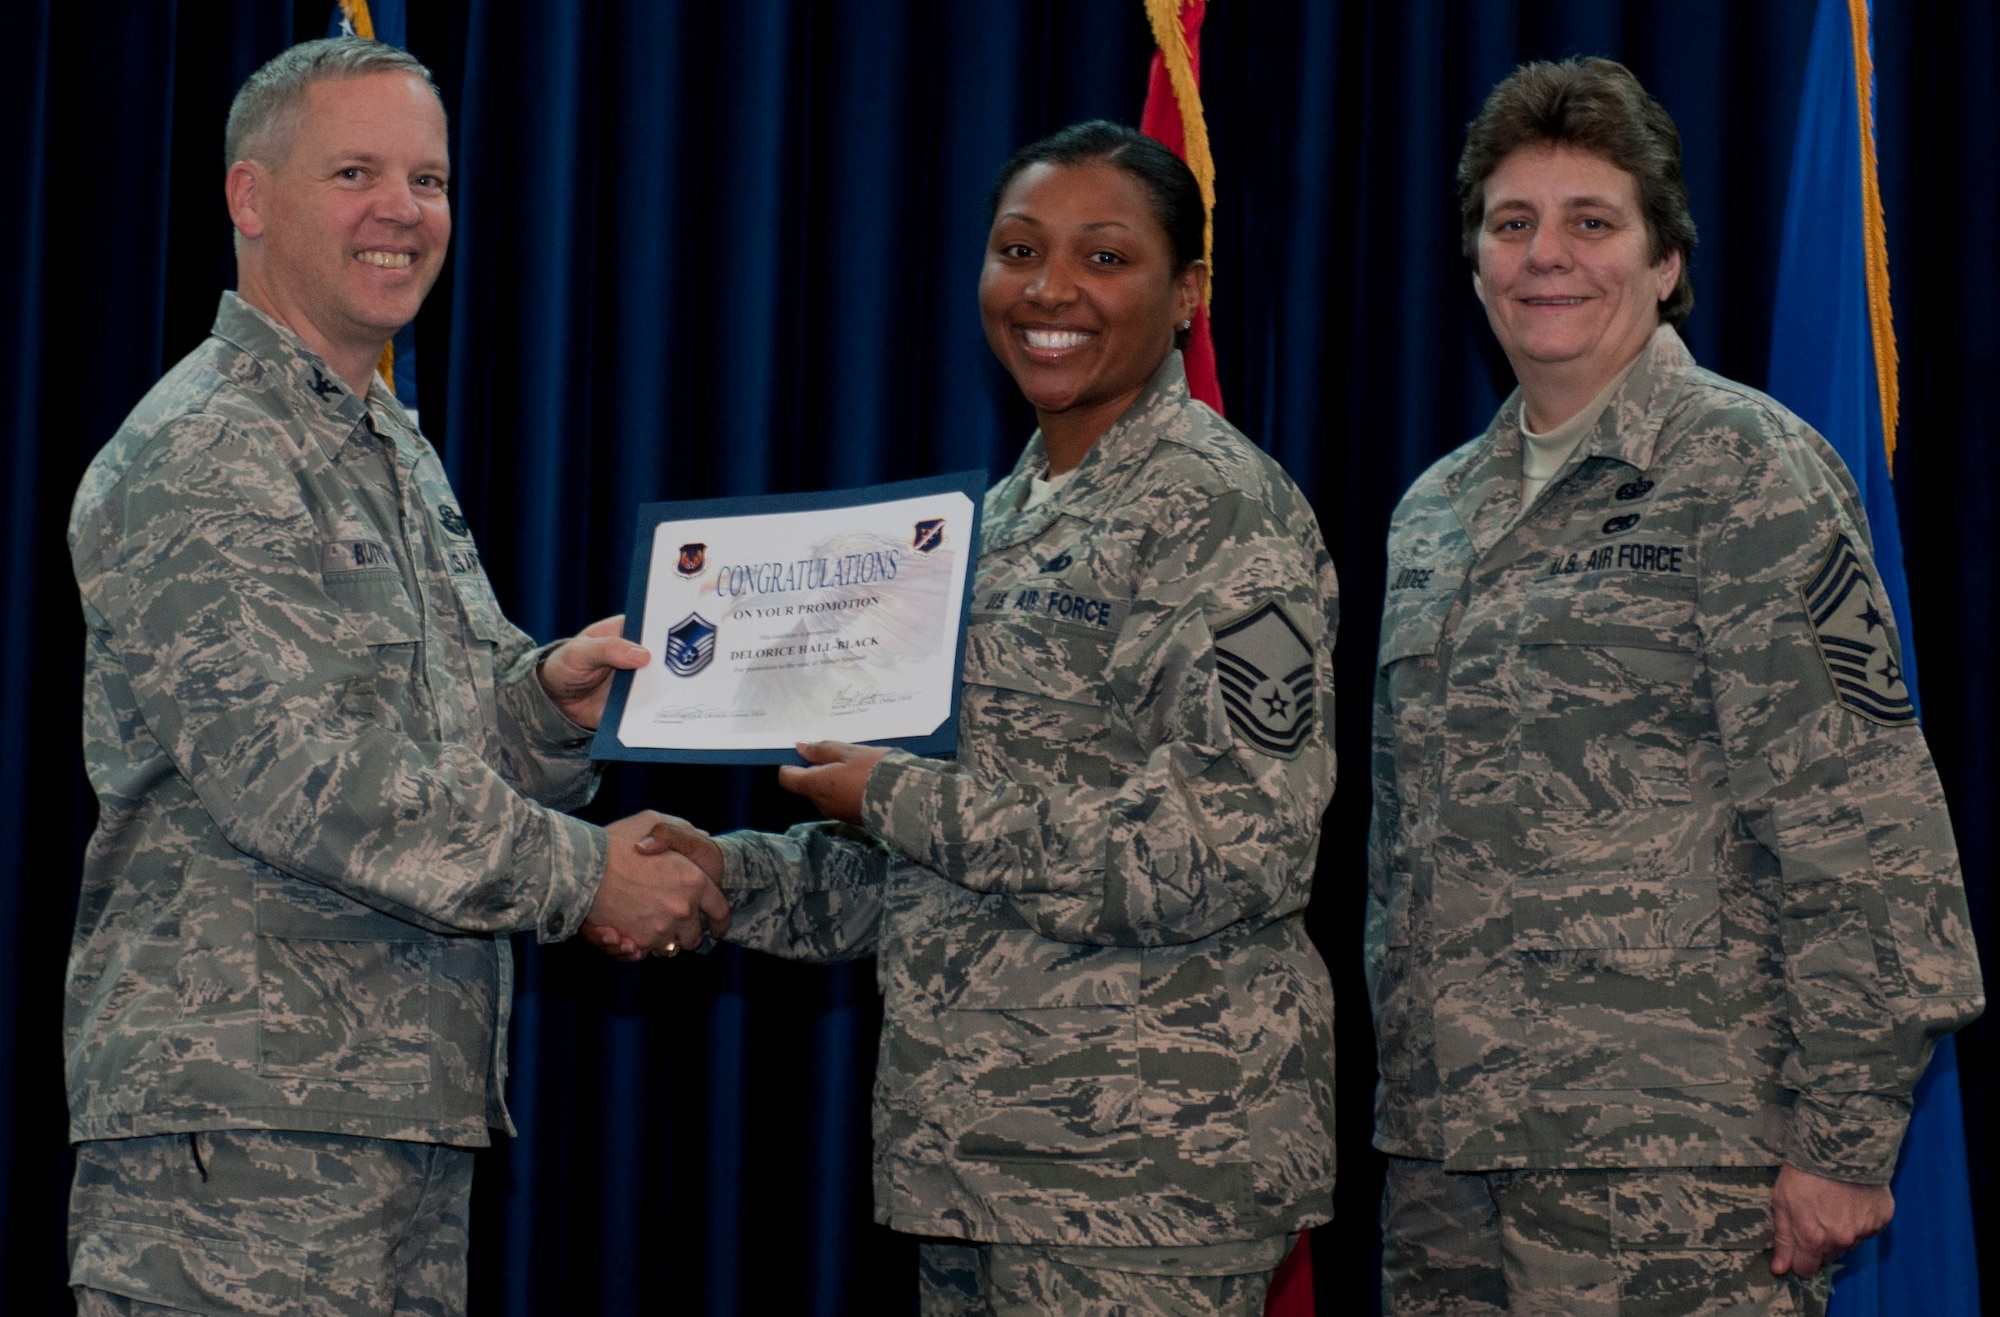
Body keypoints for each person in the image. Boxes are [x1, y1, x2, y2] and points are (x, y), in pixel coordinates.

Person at [623, 121, 1339, 1313]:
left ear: (1187, 296)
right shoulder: (993, 524)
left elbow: (1231, 851)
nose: (1049, 289)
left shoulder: (1223, 516)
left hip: (1145, 1180)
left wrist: (892, 793)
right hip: (972, 1166)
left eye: (1103, 259)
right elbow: (927, 866)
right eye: (1018, 249)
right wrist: (719, 879)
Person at [64, 38, 728, 1315]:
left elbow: (439, 739)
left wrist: (549, 698)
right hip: (244, 1136)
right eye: (355, 172)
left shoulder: (384, 446)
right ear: (249, 199)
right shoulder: (208, 448)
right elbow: (305, 779)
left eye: (427, 180)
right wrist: (581, 873)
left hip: (391, 1115)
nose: (402, 212)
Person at [1366, 57, 1985, 1315]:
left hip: (1676, 1165)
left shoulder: (1748, 470)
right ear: (1473, 259)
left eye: (1591, 222)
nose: (1547, 256)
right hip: (1447, 1162)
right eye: (1511, 223)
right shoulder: (1431, 513)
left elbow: (1860, 817)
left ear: (1663, 263)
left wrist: (1843, 1139)